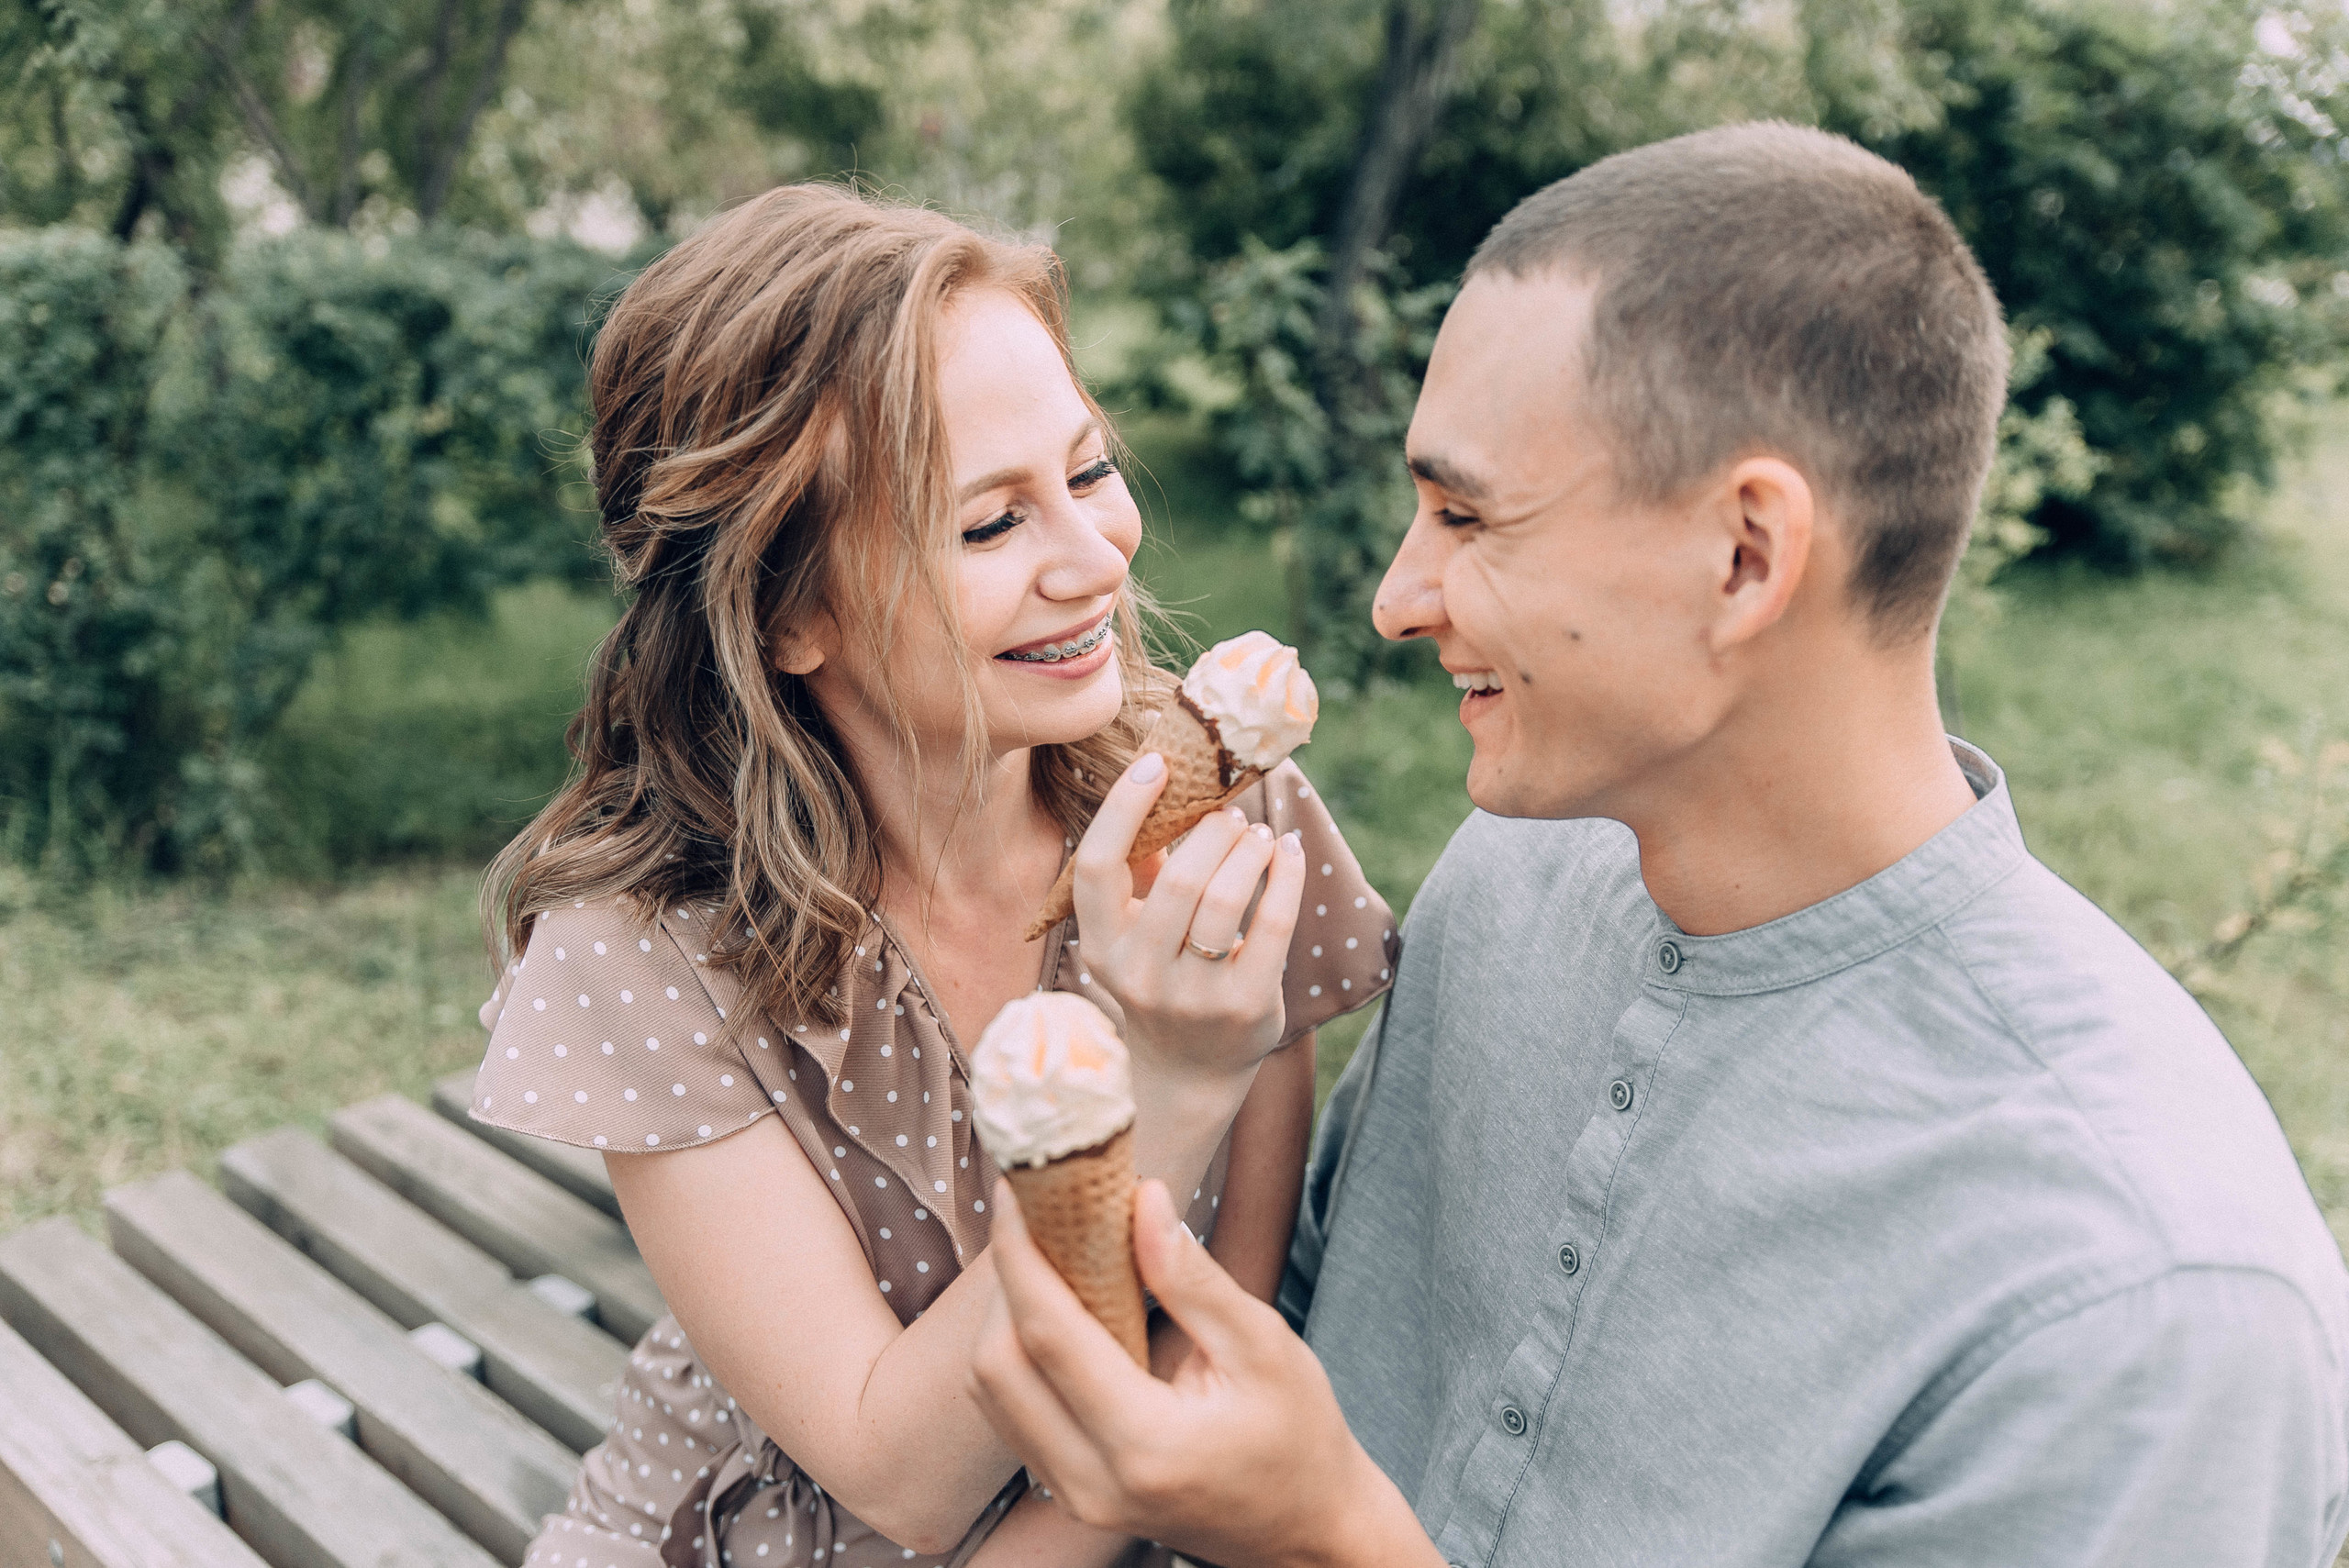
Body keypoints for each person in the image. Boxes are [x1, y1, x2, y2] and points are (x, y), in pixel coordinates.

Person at [968, 122, 2349, 1566]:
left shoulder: (2146, 1305)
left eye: (1464, 514)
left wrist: (1332, 1541)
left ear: (1745, 557)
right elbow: (1299, 1318)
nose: (1395, 596)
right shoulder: (1512, 874)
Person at [467, 185, 1397, 1568]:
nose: (1098, 559)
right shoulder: (647, 951)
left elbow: (1214, 1342)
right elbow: (895, 1471)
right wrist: (1168, 1082)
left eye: (1086, 473)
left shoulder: (1215, 817)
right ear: (789, 611)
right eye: (988, 526)